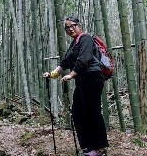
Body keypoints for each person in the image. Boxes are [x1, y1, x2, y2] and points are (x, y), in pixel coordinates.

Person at [42, 17, 109, 156]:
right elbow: (65, 63)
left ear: (79, 25)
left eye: (72, 25)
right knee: (78, 113)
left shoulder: (86, 39)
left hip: (92, 77)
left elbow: (83, 59)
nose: (70, 29)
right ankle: (88, 146)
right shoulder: (74, 44)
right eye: (66, 27)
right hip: (82, 80)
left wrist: (71, 75)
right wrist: (52, 74)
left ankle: (100, 148)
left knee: (92, 111)